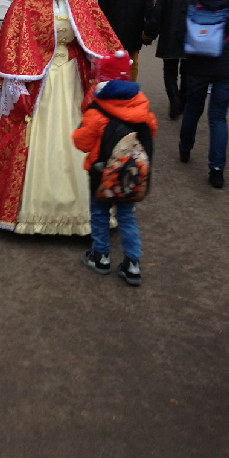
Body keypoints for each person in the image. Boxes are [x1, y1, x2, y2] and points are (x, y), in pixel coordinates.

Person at [0, 0, 122, 235]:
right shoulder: (26, 1)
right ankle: (26, 212)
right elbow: (10, 47)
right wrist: (15, 85)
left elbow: (102, 37)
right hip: (38, 83)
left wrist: (105, 68)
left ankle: (80, 214)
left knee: (79, 140)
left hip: (72, 78)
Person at [72, 51, 157, 286]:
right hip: (132, 175)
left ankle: (101, 256)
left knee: (99, 213)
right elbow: (151, 132)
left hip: (101, 174)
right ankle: (132, 264)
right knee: (127, 216)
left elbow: (81, 142)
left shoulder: (96, 112)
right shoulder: (142, 107)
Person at [178, 0, 229, 189]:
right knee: (218, 117)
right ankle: (216, 169)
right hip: (225, 65)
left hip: (197, 63)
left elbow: (183, 30)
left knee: (192, 107)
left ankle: (185, 148)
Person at [143, 0, 199, 119]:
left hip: (170, 38)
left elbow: (156, 17)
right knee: (187, 73)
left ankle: (174, 98)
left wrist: (148, 35)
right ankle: (182, 101)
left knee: (169, 72)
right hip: (192, 39)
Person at [99, 0, 154, 81]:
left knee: (114, 56)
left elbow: (102, 7)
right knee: (133, 58)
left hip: (114, 26)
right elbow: (148, 9)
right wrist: (148, 30)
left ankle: (114, 82)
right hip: (135, 26)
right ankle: (131, 86)